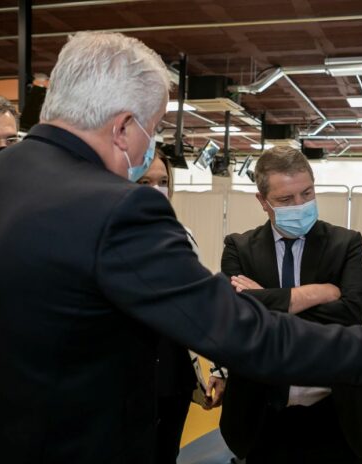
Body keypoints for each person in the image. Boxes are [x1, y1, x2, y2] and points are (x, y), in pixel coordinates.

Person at [0, 31, 362, 463]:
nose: (151, 148)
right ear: (123, 128)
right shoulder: (116, 206)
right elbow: (241, 332)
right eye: (152, 130)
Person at [218, 147, 362, 463]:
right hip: (261, 418)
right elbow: (236, 318)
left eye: (306, 194)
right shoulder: (239, 247)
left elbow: (352, 314)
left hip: (337, 416)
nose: (300, 205)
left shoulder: (346, 243)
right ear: (262, 201)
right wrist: (318, 293)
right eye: (285, 199)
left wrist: (265, 300)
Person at [136, 153, 225, 463]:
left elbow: (200, 303)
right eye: (144, 182)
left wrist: (220, 367)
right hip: (129, 372)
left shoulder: (182, 235)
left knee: (166, 451)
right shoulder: (106, 235)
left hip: (174, 369)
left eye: (163, 181)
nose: (157, 189)